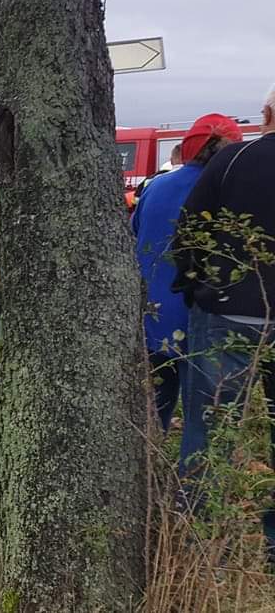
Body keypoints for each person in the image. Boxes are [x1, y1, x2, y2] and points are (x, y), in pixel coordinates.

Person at [174, 86, 275, 555]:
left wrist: (198, 287)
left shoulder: (233, 159)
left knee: (209, 428)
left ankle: (198, 547)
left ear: (268, 113)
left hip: (228, 311)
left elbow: (190, 231)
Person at [131, 114, 243, 430]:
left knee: (157, 403)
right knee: (206, 413)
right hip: (202, 317)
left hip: (153, 315)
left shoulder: (155, 185)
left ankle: (153, 449)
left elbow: (136, 232)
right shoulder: (225, 190)